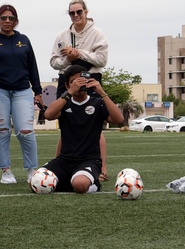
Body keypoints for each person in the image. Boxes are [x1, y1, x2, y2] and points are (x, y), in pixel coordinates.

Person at [0, 5, 44, 184]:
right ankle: (5, 171)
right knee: (2, 131)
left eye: (11, 18)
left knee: (26, 131)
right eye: (3, 18)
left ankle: (31, 169)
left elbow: (32, 67)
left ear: (16, 20)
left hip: (22, 90)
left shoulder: (24, 40)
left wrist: (37, 91)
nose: (7, 21)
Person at [49, 0, 110, 179]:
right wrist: (68, 60)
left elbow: (102, 60)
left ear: (86, 12)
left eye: (79, 12)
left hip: (90, 78)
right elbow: (53, 62)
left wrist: (79, 54)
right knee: (65, 124)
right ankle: (59, 164)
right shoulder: (62, 35)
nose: (75, 15)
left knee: (94, 127)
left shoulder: (97, 34)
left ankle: (103, 169)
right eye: (72, 13)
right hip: (65, 80)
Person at [41, 65, 124, 193]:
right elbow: (48, 115)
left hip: (89, 160)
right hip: (64, 160)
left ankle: (93, 184)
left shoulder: (98, 103)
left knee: (80, 185)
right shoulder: (64, 103)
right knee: (37, 181)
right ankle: (70, 180)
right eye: (74, 81)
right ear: (68, 85)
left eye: (81, 80)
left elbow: (119, 119)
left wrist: (102, 93)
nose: (79, 84)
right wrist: (69, 93)